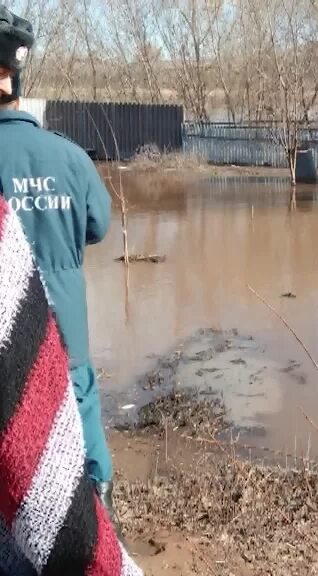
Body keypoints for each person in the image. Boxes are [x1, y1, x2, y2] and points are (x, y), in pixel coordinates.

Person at [0, 6, 120, 533]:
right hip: (66, 350)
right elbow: (97, 227)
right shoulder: (71, 159)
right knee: (85, 474)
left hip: (5, 360)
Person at [0, 190, 142, 574]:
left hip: (24, 322)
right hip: (57, 319)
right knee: (78, 415)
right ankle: (101, 502)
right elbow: (99, 224)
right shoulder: (71, 160)